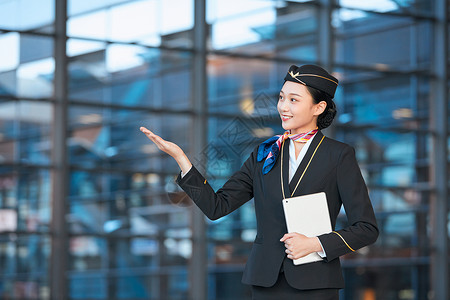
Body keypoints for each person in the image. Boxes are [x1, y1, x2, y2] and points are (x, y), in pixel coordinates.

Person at [140, 64, 378, 300]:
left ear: (319, 107)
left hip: (316, 284)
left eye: (293, 100)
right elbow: (217, 207)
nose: (283, 107)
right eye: (281, 98)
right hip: (266, 283)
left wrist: (316, 244)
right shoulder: (264, 152)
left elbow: (366, 229)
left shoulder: (338, 155)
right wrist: (182, 159)